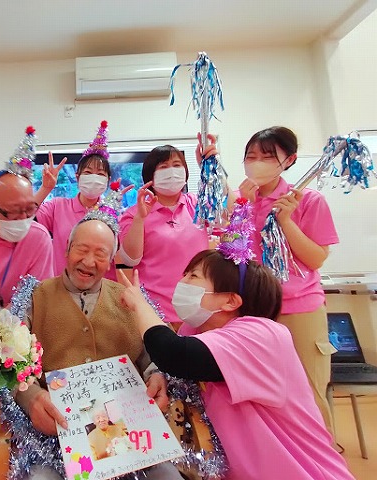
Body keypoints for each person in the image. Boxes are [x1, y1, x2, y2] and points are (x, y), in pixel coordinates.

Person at [117, 221, 353, 478]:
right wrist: (161, 378)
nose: (181, 282)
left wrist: (140, 304)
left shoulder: (262, 335)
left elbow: (172, 354)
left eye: (193, 277)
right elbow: (181, 366)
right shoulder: (194, 329)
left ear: (230, 300)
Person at [10, 192, 182, 480]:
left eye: (101, 254)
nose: (89, 261)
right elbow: (12, 364)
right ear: (66, 250)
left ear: (111, 260)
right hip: (57, 434)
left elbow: (152, 354)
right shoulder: (35, 297)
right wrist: (31, 397)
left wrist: (156, 376)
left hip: (129, 430)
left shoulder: (129, 298)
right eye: (82, 249)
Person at [204, 126, 339, 434]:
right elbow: (229, 254)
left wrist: (286, 221)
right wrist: (241, 208)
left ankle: (322, 456)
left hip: (298, 309)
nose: (257, 163)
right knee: (262, 396)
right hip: (252, 311)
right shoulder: (240, 200)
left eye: (267, 157)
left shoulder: (308, 200)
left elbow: (316, 258)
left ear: (289, 160)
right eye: (251, 156)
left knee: (309, 393)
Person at [119, 145, 210, 324]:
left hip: (200, 310)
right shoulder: (133, 214)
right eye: (163, 166)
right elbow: (130, 259)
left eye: (177, 165)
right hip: (156, 313)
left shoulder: (198, 204)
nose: (172, 172)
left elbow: (230, 213)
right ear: (150, 176)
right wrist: (140, 219)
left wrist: (209, 166)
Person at [0, 127, 54, 313]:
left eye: (29, 209)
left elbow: (36, 297)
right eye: (13, 212)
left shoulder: (38, 239)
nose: (23, 219)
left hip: (17, 325)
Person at [35, 120, 122, 276]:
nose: (94, 178)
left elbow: (121, 257)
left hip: (100, 285)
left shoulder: (113, 214)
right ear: (77, 177)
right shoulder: (57, 206)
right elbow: (26, 217)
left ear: (108, 180)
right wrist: (45, 188)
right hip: (62, 285)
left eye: (100, 174)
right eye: (88, 172)